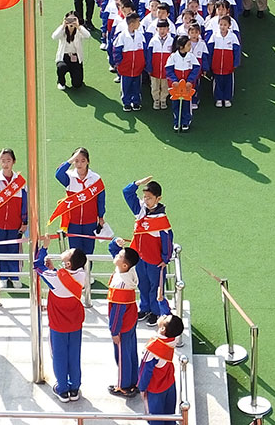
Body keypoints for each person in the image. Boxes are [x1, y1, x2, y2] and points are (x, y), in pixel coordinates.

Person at [34, 235, 88, 402]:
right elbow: (65, 277)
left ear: (68, 263)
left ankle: (63, 388)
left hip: (58, 324)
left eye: (69, 252)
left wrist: (44, 248)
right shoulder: (81, 274)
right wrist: (54, 270)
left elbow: (37, 266)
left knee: (59, 356)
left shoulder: (56, 278)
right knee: (74, 355)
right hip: (75, 322)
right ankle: (74, 387)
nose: (68, 250)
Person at [124, 177, 174, 324]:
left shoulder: (161, 219)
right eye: (144, 197)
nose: (146, 200)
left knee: (156, 287)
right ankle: (144, 308)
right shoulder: (140, 210)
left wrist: (165, 259)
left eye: (149, 198)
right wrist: (137, 183)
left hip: (155, 260)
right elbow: (127, 193)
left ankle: (156, 311)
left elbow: (168, 240)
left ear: (158, 198)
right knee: (143, 284)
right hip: (140, 258)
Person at [0, 148, 28, 288]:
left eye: (8, 160)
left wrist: (24, 221)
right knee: (0, 249)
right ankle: (2, 276)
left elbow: (25, 203)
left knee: (14, 249)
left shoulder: (20, 181)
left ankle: (15, 276)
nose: (6, 163)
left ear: (14, 161)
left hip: (15, 223)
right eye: (3, 161)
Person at [51, 147, 106, 255]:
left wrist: (101, 217)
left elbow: (101, 200)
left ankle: (87, 272)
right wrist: (70, 160)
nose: (79, 164)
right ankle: (76, 273)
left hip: (90, 223)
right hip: (73, 222)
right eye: (76, 161)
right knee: (75, 254)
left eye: (83, 160)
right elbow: (58, 174)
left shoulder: (95, 178)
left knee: (88, 253)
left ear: (88, 161)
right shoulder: (69, 177)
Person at [106, 239, 141, 397]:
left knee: (121, 356)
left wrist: (114, 331)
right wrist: (116, 244)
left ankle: (123, 386)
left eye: (120, 255)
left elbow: (116, 313)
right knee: (130, 352)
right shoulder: (128, 271)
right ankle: (133, 380)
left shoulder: (120, 284)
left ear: (124, 264)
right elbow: (114, 252)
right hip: (130, 321)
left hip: (122, 326)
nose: (117, 255)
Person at [138, 314, 184, 424]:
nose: (163, 315)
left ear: (163, 329)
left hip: (155, 388)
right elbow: (170, 320)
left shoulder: (152, 347)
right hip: (169, 383)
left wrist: (142, 388)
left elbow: (145, 370)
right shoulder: (173, 337)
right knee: (170, 416)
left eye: (165, 317)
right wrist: (161, 299)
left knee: (155, 419)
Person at [111, 11, 147, 110]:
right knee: (126, 86)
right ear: (132, 23)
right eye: (138, 22)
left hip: (138, 68)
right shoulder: (122, 36)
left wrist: (143, 62)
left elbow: (144, 50)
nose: (139, 24)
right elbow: (116, 51)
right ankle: (126, 102)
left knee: (136, 86)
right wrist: (120, 63)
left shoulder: (140, 35)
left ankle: (136, 102)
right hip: (126, 68)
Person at [52, 13, 89, 91]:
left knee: (77, 84)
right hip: (64, 57)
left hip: (75, 58)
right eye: (69, 20)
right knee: (61, 67)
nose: (71, 22)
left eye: (73, 20)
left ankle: (76, 77)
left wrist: (78, 27)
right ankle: (61, 82)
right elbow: (54, 36)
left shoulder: (79, 30)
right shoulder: (62, 30)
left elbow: (87, 36)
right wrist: (63, 25)